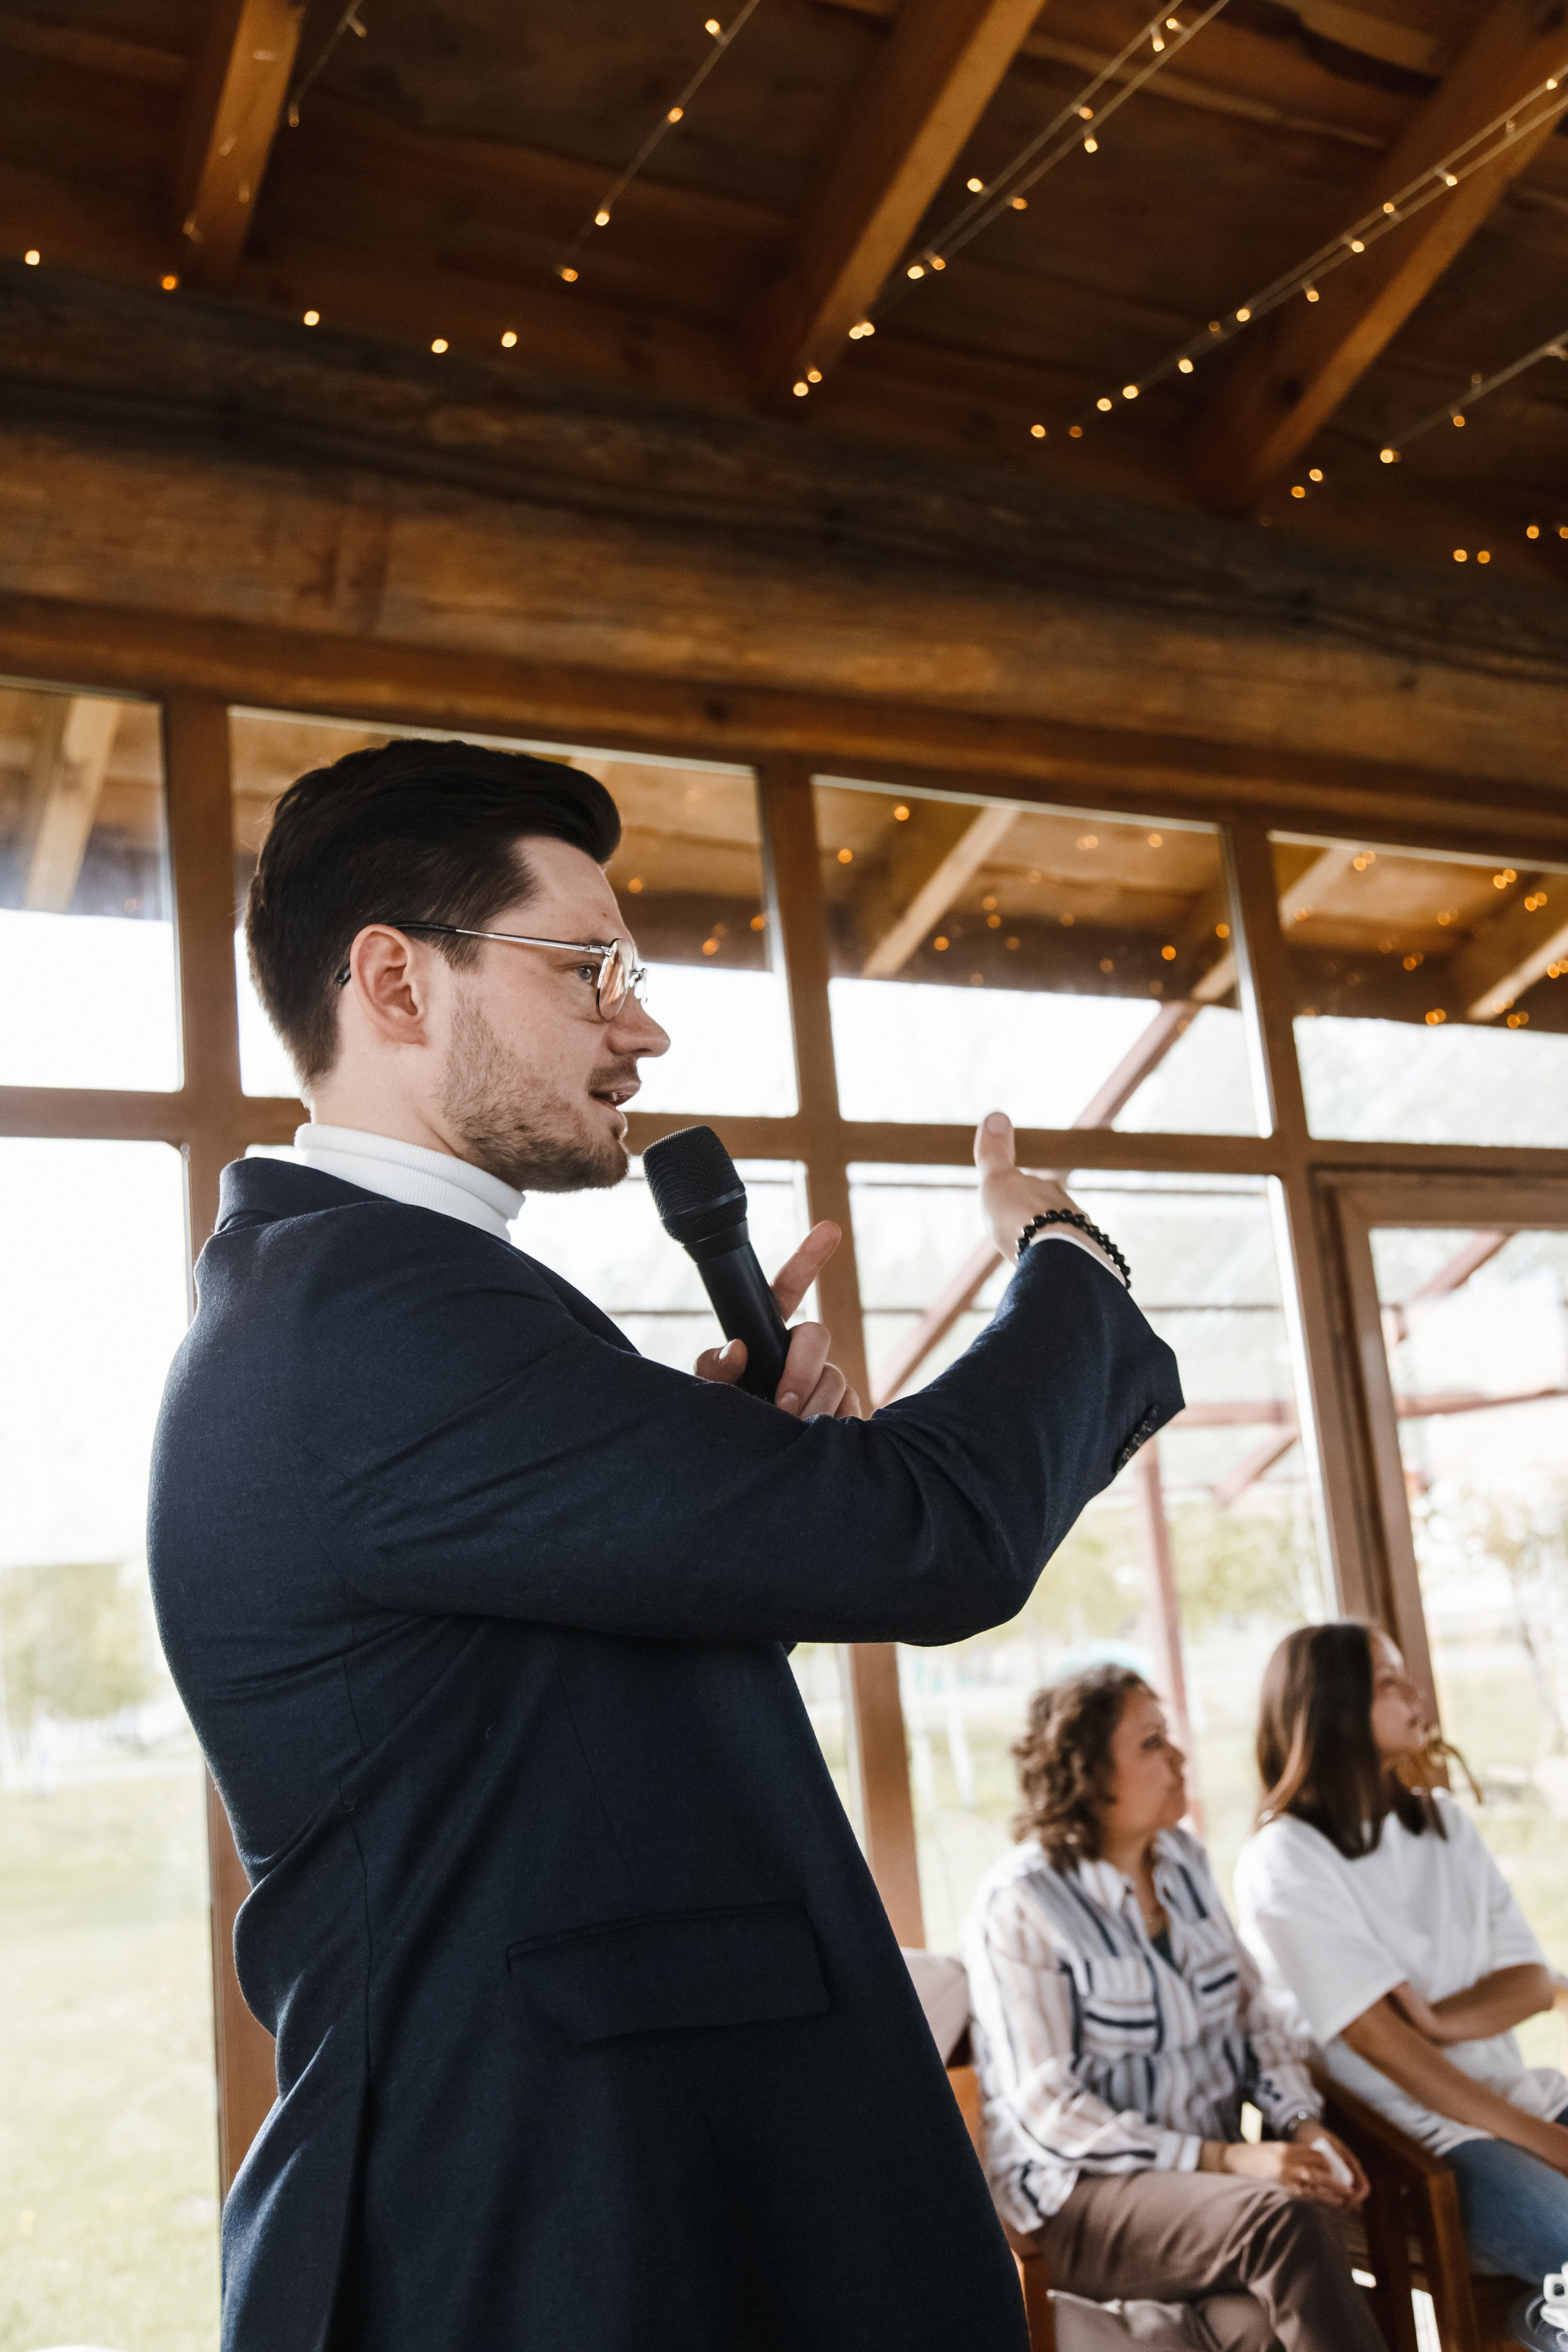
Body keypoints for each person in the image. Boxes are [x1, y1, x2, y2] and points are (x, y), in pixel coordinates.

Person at [148, 737, 1183, 2352]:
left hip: (609, 2198)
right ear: (398, 985)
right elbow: (932, 1538)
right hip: (540, 2232)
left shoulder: (387, 1307)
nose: (643, 1027)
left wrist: (739, 1478)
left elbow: (553, 1746)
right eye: (591, 970)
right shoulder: (371, 1319)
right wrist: (1064, 1259)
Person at [963, 1665, 1381, 2352]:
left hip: (1200, 2197)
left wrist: (1300, 2124)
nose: (1179, 1757)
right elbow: (1049, 2108)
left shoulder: (1183, 1861)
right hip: (1076, 2201)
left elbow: (1256, 2020)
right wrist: (1224, 2161)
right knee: (1281, 2220)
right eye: (1152, 1742)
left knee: (1264, 2329)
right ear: (1088, 1773)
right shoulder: (1020, 1902)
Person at [1235, 1620, 1568, 2320]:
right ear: (1333, 1708)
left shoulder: (1442, 1823)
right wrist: (1546, 2141)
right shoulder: (1283, 1859)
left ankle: (1543, 2322)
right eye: (1388, 1681)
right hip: (1415, 2142)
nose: (1414, 1692)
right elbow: (1380, 2044)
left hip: (1515, 2097)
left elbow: (1532, 1983)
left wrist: (1436, 2021)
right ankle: (1542, 2323)